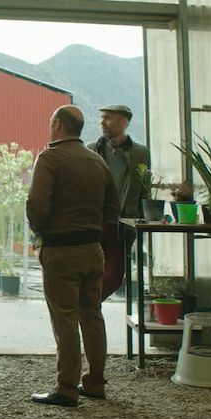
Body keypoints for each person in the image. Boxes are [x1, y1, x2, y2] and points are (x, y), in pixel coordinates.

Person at [26, 105, 121, 407]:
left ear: (58, 125)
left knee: (65, 319)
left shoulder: (50, 158)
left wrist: (41, 231)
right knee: (92, 315)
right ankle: (95, 383)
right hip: (93, 250)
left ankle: (66, 388)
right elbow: (113, 207)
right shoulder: (97, 161)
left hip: (60, 250)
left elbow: (37, 206)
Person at [87, 104, 151, 302]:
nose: (101, 122)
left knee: (114, 277)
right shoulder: (91, 150)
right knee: (89, 272)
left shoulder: (140, 153)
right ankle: (88, 308)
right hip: (94, 222)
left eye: (107, 118)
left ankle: (88, 305)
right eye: (101, 118)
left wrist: (143, 217)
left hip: (122, 225)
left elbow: (145, 188)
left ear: (124, 122)